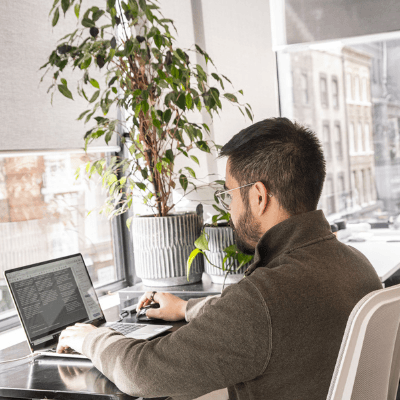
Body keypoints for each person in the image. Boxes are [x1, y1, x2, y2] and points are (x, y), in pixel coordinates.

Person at [57, 118, 382, 400]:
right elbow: (268, 320)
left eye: (229, 194)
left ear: (258, 196)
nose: (229, 210)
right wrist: (186, 308)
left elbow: (141, 373)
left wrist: (92, 337)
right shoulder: (357, 265)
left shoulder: (265, 296)